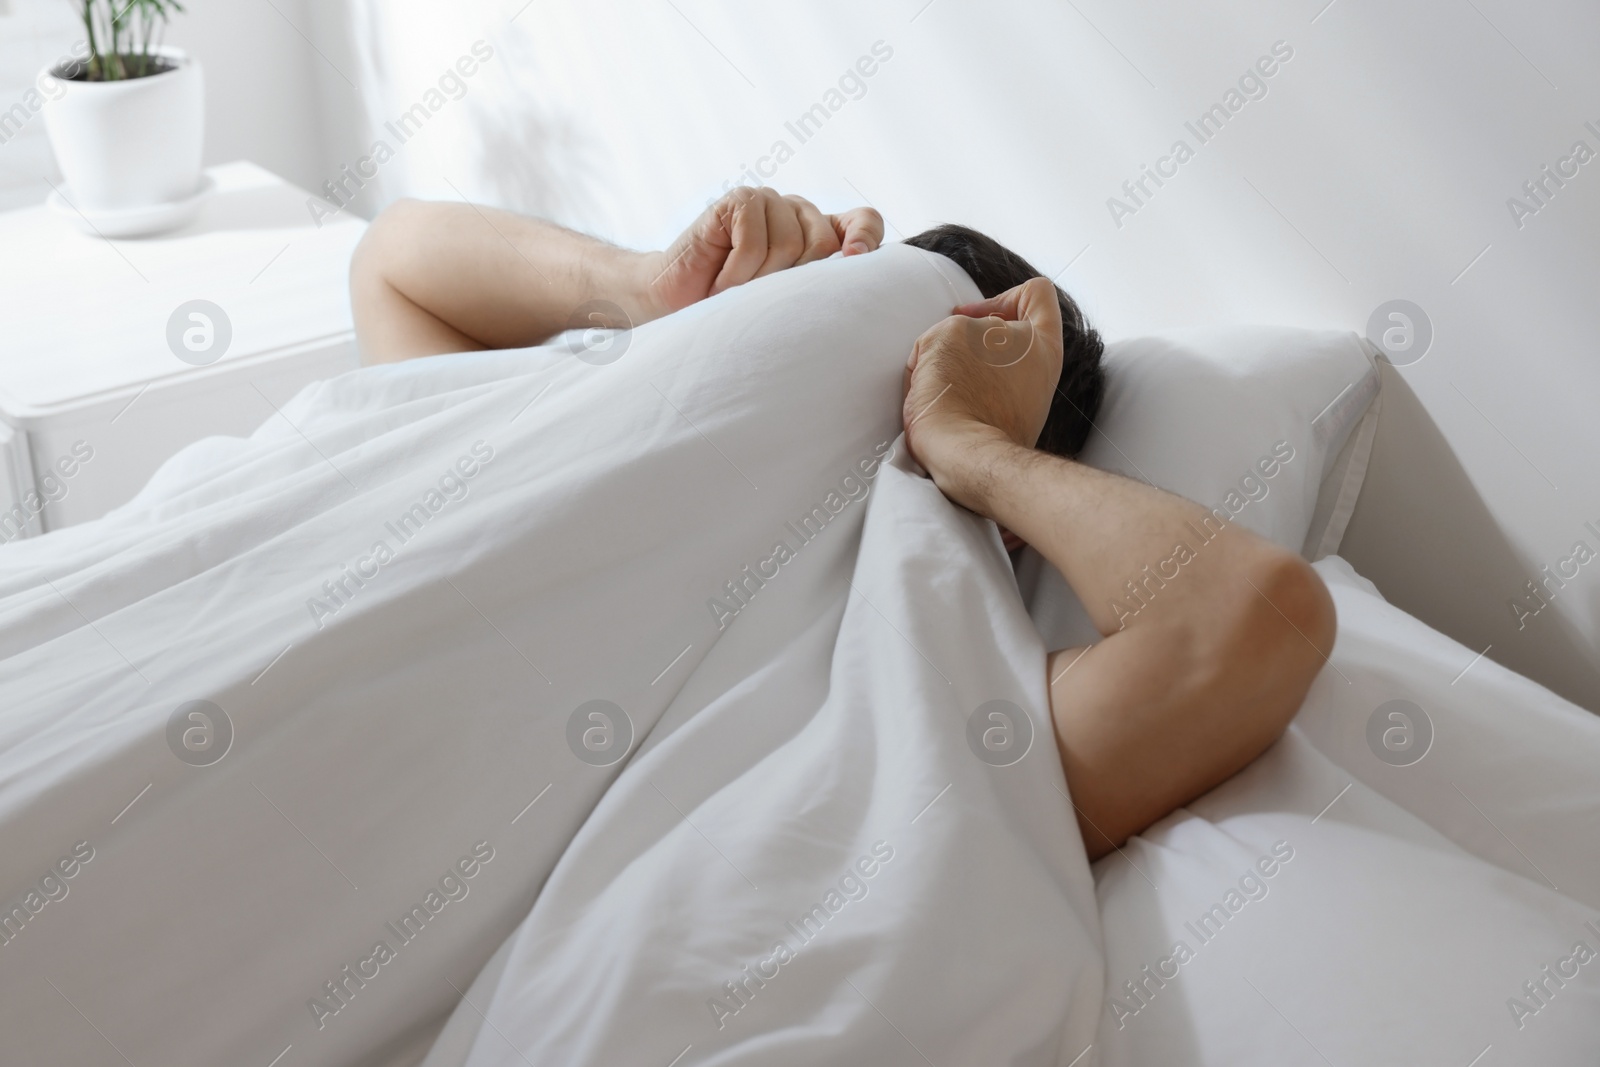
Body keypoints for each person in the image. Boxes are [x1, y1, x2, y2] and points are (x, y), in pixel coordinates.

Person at [349, 186, 1336, 860]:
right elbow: (394, 254)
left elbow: (1252, 622)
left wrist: (974, 448)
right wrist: (653, 288)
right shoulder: (518, 437)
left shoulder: (919, 683)